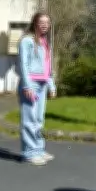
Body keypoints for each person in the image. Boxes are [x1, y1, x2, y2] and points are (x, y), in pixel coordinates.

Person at [17, 12, 57, 166]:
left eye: (47, 22)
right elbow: (24, 64)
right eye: (41, 22)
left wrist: (51, 85)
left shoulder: (45, 42)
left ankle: (38, 149)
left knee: (39, 119)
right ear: (35, 23)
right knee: (29, 120)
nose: (45, 25)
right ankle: (29, 153)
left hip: (42, 84)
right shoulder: (27, 41)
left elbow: (48, 67)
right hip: (31, 84)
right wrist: (27, 85)